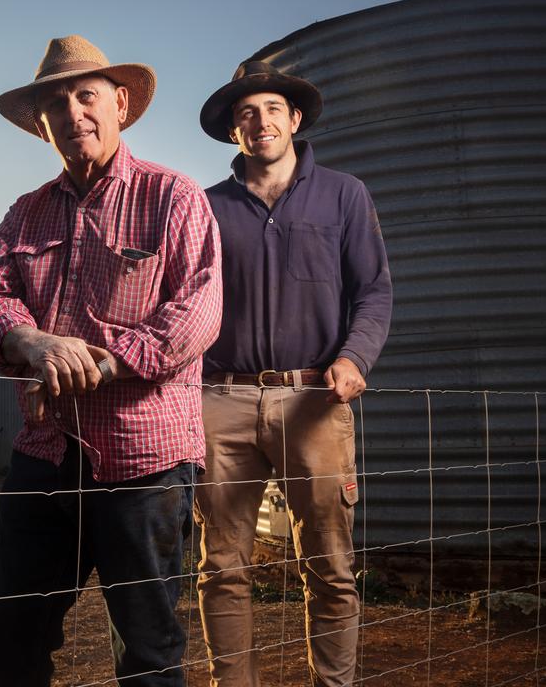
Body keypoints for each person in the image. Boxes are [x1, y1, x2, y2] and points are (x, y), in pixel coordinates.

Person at [0, 35, 223, 686]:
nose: (72, 112)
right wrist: (34, 344)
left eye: (86, 96)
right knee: (16, 643)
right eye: (55, 103)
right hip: (46, 450)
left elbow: (196, 316)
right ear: (41, 125)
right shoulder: (24, 216)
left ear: (119, 104)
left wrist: (104, 365)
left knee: (147, 650)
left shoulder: (173, 197)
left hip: (144, 461)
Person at [193, 61, 393, 687]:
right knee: (222, 567)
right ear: (234, 131)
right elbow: (186, 302)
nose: (261, 121)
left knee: (329, 563)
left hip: (314, 398)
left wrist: (355, 358)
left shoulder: (344, 194)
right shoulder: (206, 208)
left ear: (294, 118)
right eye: (246, 113)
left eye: (272, 108)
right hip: (221, 399)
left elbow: (375, 292)